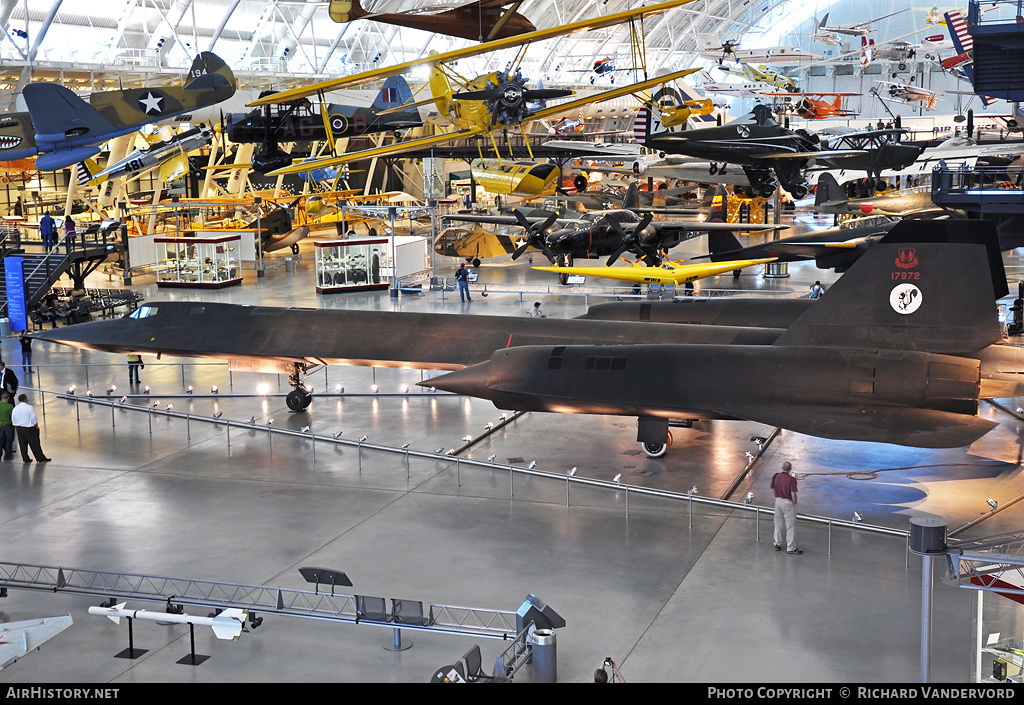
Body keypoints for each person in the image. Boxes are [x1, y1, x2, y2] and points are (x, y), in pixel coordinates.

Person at [771, 461, 801, 554]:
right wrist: (795, 503)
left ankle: (777, 543)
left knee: (778, 523)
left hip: (777, 501)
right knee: (790, 525)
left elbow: (772, 486)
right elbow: (793, 493)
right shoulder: (792, 480)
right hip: (787, 502)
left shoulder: (776, 476)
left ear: (782, 467)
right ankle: (791, 547)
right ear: (790, 469)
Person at [11, 394, 50, 462]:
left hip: (19, 428)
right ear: (25, 399)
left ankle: (26, 459)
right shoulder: (29, 407)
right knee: (35, 444)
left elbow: (13, 419)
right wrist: (36, 426)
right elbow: (33, 418)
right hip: (29, 429)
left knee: (22, 444)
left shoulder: (15, 408)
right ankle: (40, 458)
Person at [0, 392, 15, 460]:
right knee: (9, 441)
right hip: (8, 426)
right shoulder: (10, 406)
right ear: (8, 398)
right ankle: (7, 456)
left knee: (0, 441)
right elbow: (12, 417)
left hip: (0, 426)